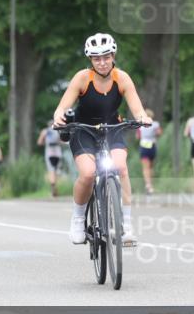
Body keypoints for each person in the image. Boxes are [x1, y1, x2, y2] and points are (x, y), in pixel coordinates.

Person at [52, 32, 150, 245]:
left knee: (121, 168)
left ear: (113, 55)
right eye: (97, 58)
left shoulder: (121, 78)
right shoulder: (82, 78)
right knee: (88, 174)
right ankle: (78, 219)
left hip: (112, 126)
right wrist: (59, 116)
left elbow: (137, 107)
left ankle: (126, 226)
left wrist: (143, 117)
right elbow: (63, 106)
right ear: (91, 60)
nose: (102, 62)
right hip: (83, 128)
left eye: (106, 57)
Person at [137, 109, 162, 195]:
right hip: (152, 146)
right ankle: (151, 185)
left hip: (144, 146)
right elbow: (159, 133)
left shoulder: (140, 125)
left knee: (145, 168)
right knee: (151, 167)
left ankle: (148, 186)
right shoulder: (155, 124)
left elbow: (138, 136)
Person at [37, 121, 63, 197]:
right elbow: (62, 142)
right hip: (58, 152)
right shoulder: (58, 131)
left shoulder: (45, 131)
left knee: (51, 170)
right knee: (56, 171)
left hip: (49, 152)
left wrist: (45, 142)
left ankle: (53, 187)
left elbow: (39, 142)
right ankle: (55, 187)